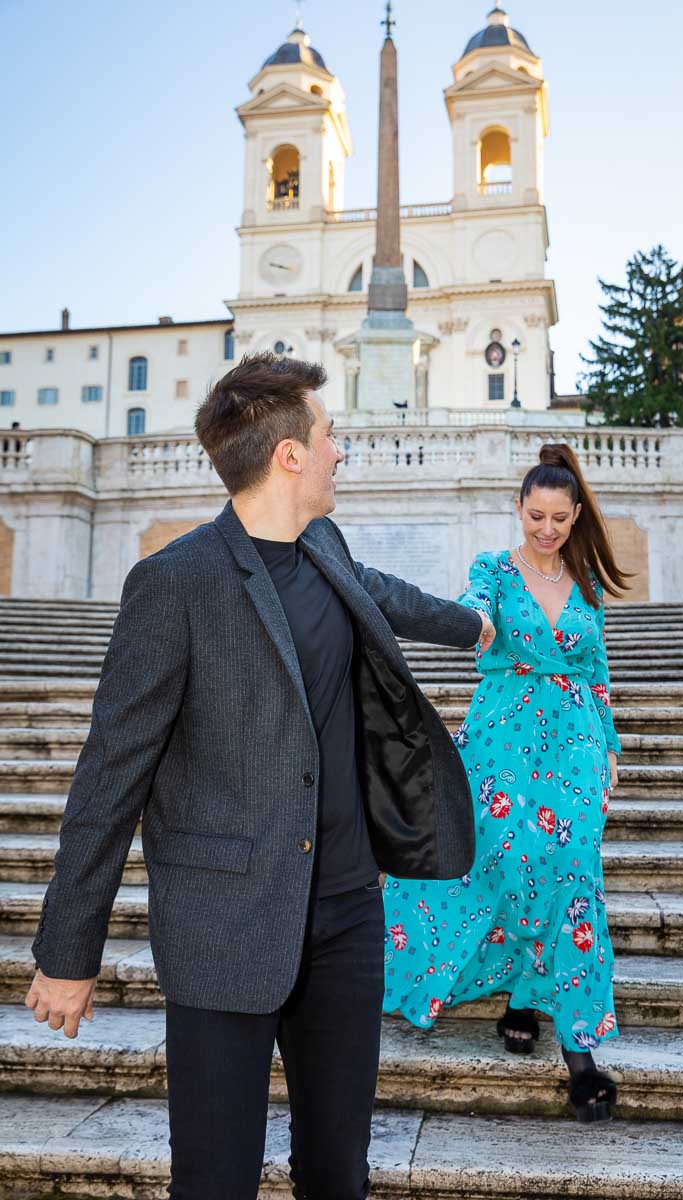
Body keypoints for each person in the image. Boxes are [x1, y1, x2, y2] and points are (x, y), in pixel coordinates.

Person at [24, 352, 495, 1200]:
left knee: (338, 1173)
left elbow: (380, 594)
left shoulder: (326, 543)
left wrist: (480, 628)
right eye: (330, 435)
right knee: (214, 1181)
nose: (339, 451)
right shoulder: (176, 583)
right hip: (224, 927)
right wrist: (69, 952)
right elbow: (108, 777)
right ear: (289, 456)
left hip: (346, 916)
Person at [382, 443, 631, 1124]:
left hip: (575, 745)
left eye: (558, 518)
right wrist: (476, 623)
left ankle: (580, 1051)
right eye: (535, 516)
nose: (546, 529)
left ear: (576, 515)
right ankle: (523, 997)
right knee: (504, 864)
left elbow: (598, 669)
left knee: (571, 873)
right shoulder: (493, 569)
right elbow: (473, 609)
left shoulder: (587, 584)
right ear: (518, 511)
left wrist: (609, 744)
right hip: (503, 739)